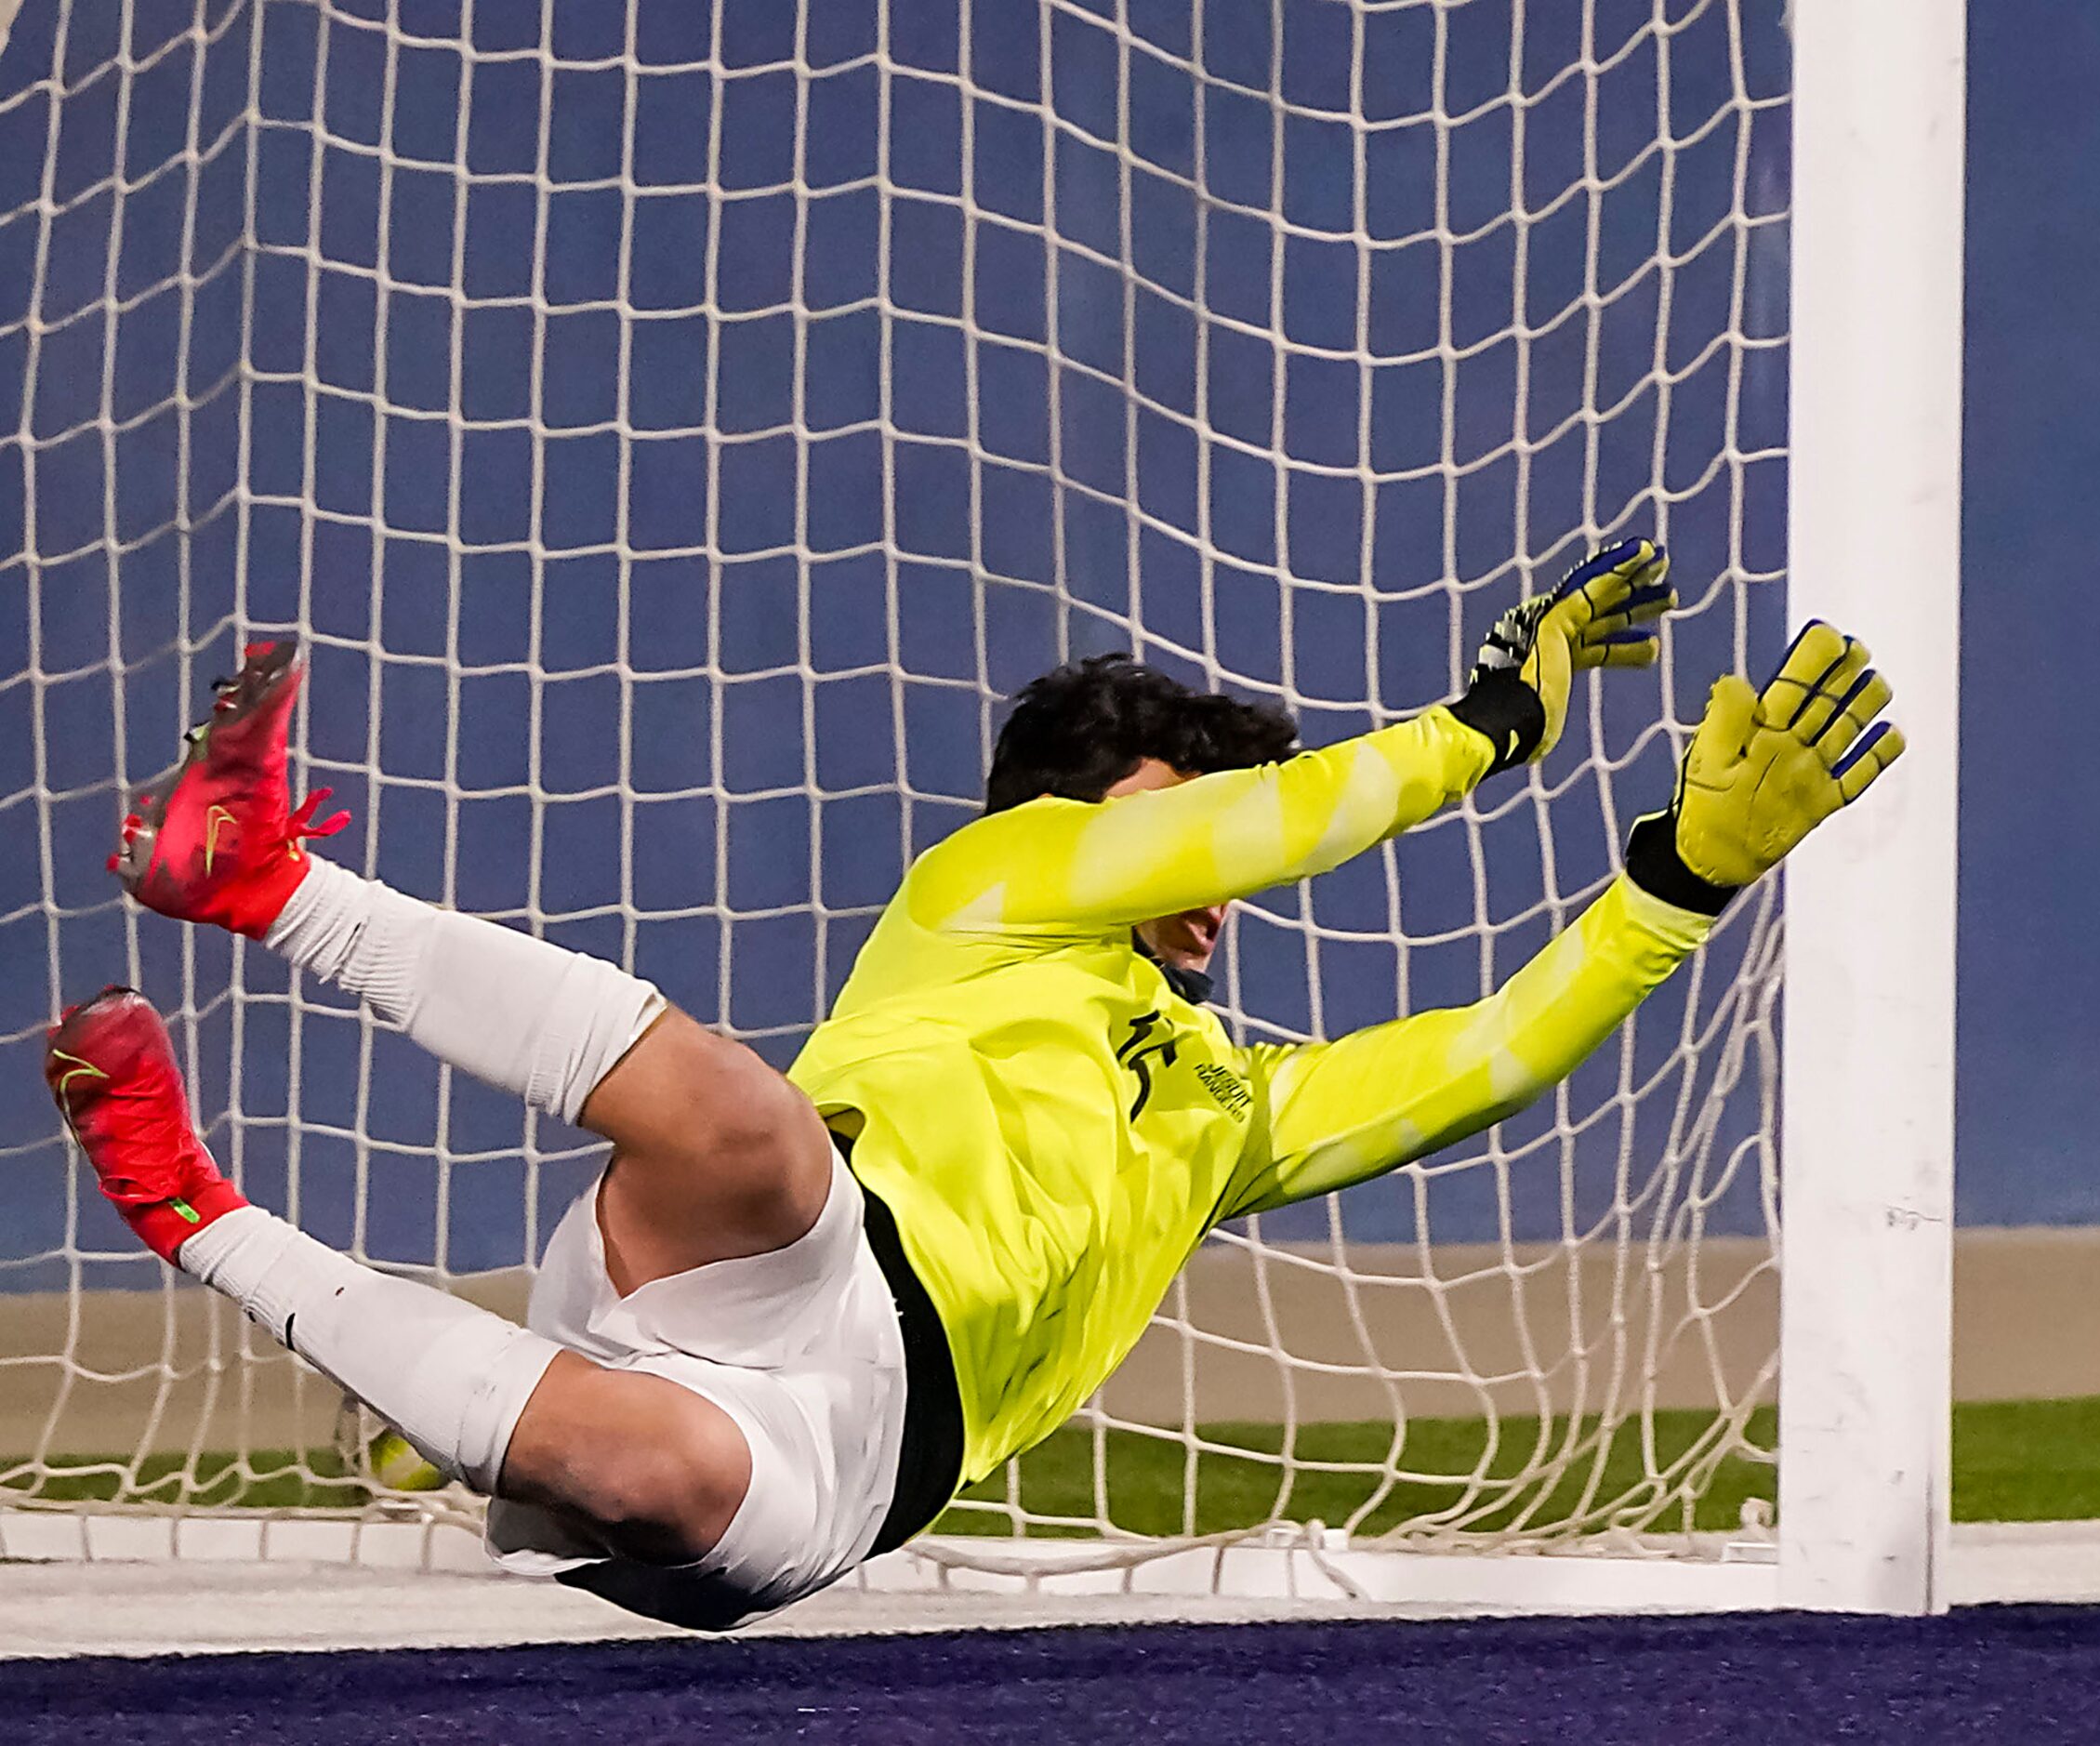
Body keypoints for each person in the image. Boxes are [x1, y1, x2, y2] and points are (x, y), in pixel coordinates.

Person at [46, 538, 1901, 1629]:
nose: (1214, 879)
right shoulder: (988, 888)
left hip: (848, 1467)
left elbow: (1481, 1060)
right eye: (1177, 838)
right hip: (776, 1258)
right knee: (762, 1140)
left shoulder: (1219, 1109)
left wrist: (1685, 880)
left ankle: (400, 1353)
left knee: (669, 1473)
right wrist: (1483, 731)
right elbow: (1295, 814)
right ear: (1069, 831)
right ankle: (250, 930)